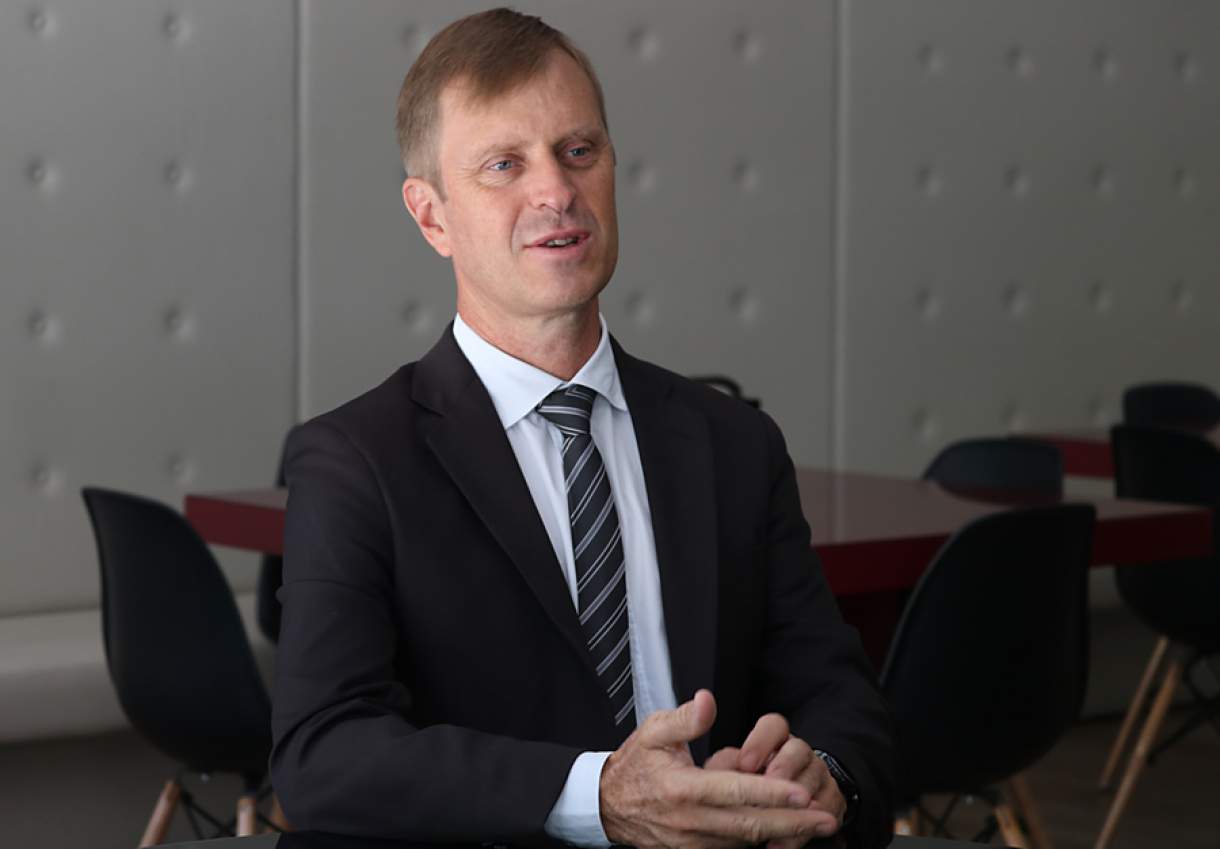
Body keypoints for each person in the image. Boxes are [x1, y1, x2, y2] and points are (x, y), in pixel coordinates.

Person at [271, 8, 893, 849]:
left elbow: (842, 697)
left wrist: (826, 771)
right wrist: (596, 796)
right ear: (432, 217)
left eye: (578, 151)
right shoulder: (356, 463)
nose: (556, 191)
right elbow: (323, 753)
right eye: (504, 165)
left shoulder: (734, 444)